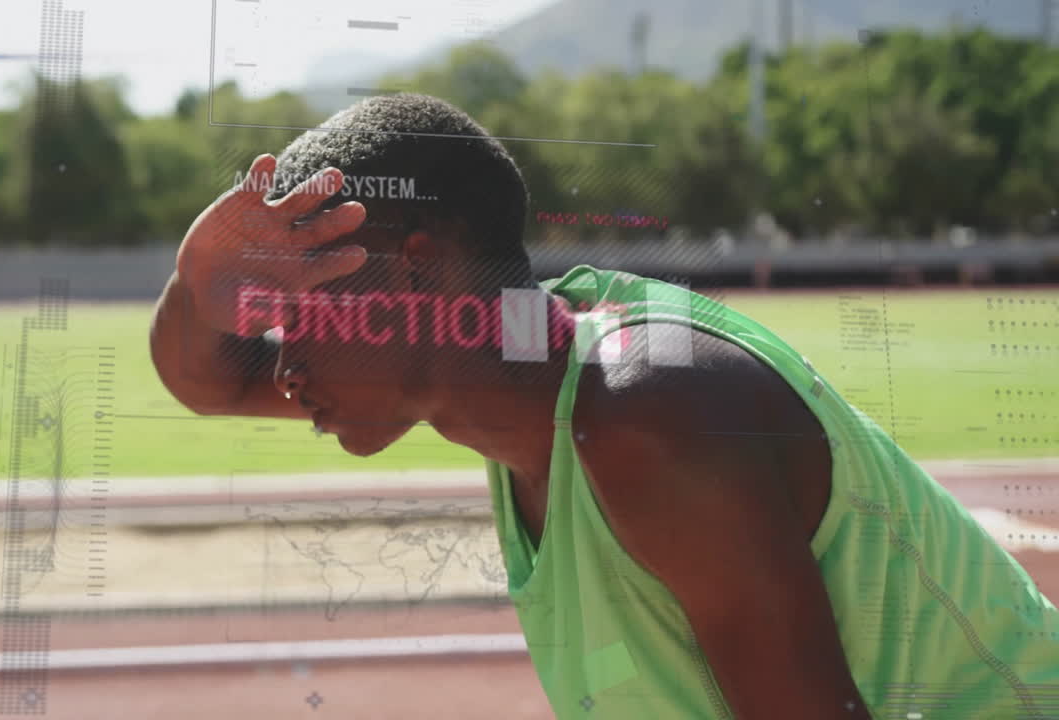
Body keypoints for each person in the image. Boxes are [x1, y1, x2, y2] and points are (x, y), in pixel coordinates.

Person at [150, 93, 1059, 719]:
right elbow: (210, 378)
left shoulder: (651, 416)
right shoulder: (516, 363)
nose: (283, 355)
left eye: (294, 310)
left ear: (417, 272)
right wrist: (200, 284)